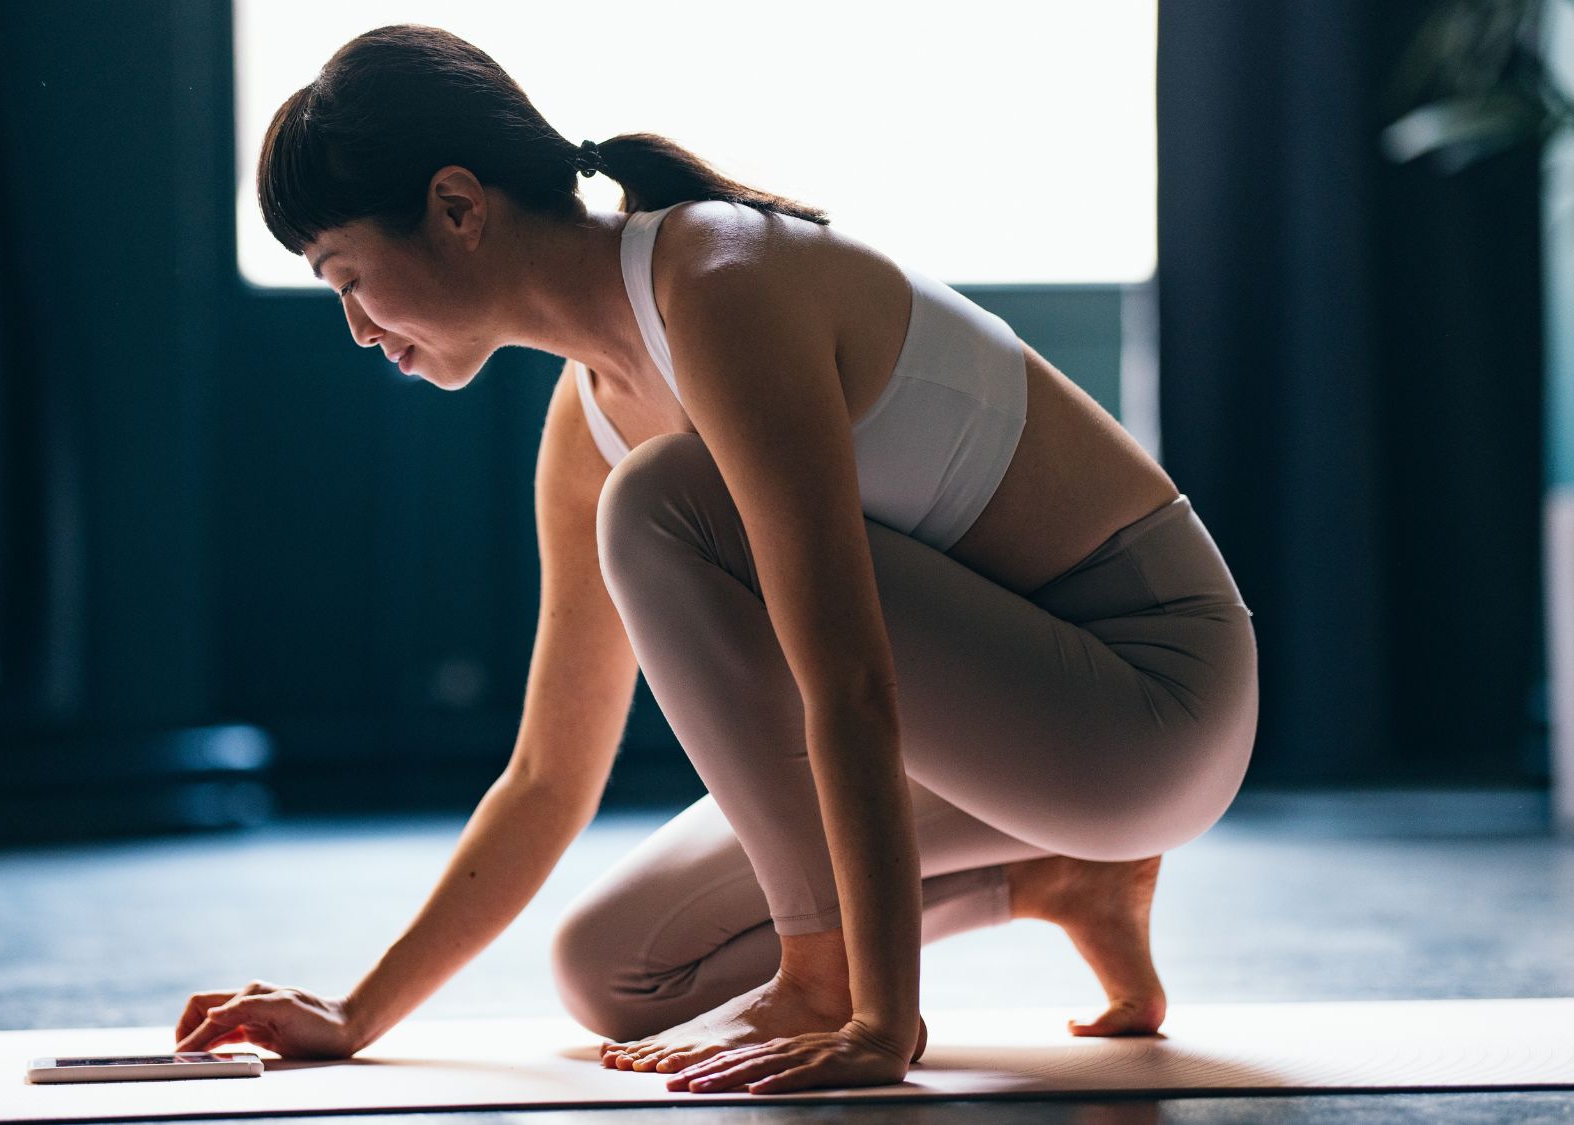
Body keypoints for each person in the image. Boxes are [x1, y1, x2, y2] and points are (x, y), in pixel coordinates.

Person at [173, 23, 1258, 1097]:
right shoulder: (583, 429)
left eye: (347, 277)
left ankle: (832, 971)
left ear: (457, 207)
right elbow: (550, 775)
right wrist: (356, 1014)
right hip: (1006, 740)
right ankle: (1059, 875)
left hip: (1151, 703)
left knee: (663, 498)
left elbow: (845, 674)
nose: (357, 328)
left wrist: (875, 1017)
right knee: (616, 971)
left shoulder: (715, 275)